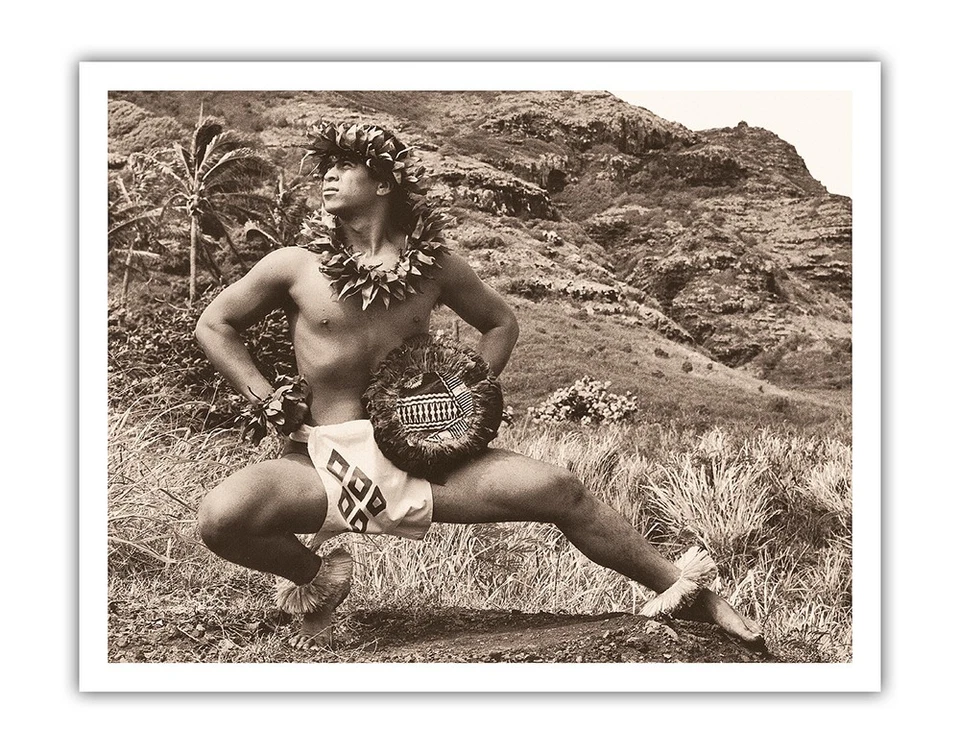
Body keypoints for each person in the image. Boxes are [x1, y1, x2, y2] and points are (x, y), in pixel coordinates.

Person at [195, 121, 764, 651]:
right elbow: (215, 324)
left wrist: (468, 396)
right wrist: (264, 396)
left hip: (421, 453)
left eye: (346, 165)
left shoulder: (436, 267)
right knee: (222, 517)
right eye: (327, 165)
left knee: (561, 489)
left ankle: (695, 596)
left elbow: (501, 322)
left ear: (386, 181)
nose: (328, 175)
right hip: (321, 460)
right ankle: (317, 573)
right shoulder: (293, 264)